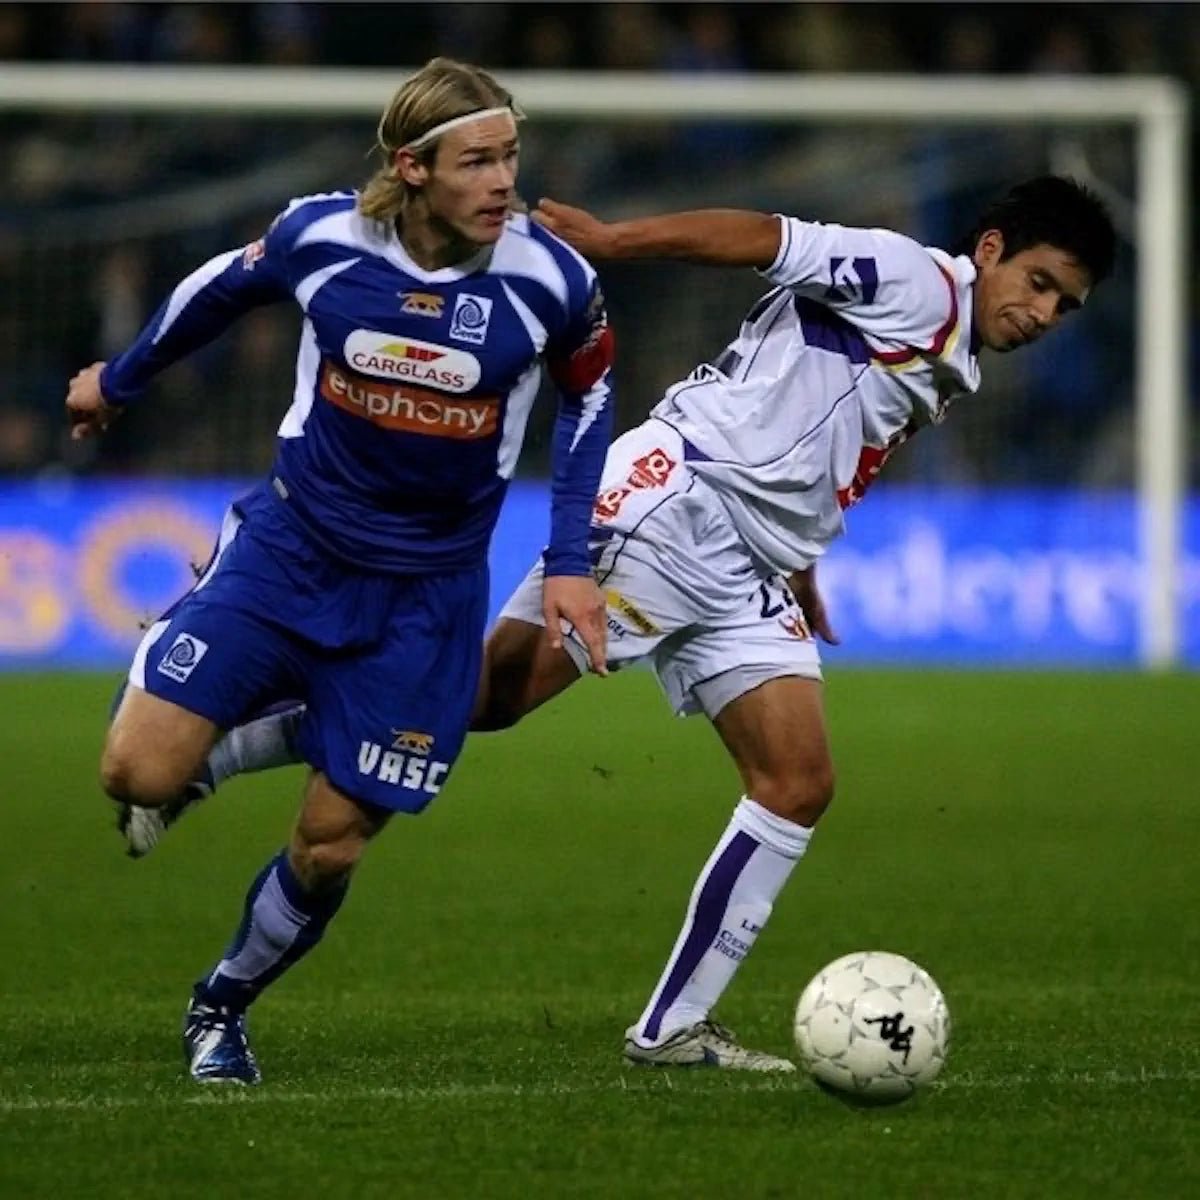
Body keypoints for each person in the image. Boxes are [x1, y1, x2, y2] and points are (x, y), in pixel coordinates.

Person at [115, 175, 1116, 1073]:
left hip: (747, 559)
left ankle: (672, 1029)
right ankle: (211, 745)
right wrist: (611, 240)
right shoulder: (916, 280)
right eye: (1038, 282)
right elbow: (760, 235)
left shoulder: (947, 342)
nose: (1043, 313)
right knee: (471, 704)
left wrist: (802, 558)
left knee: (797, 782)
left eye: (1064, 305)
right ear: (989, 250)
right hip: (676, 505)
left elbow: (812, 422)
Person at [66, 57, 615, 1086]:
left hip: (425, 597)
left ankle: (220, 1006)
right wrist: (121, 381)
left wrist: (571, 559)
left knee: (330, 846)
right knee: (133, 774)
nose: (505, 182)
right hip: (291, 550)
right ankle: (206, 688)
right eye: (478, 162)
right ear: (412, 168)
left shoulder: (550, 279)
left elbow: (591, 399)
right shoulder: (323, 237)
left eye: (511, 158)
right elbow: (215, 291)